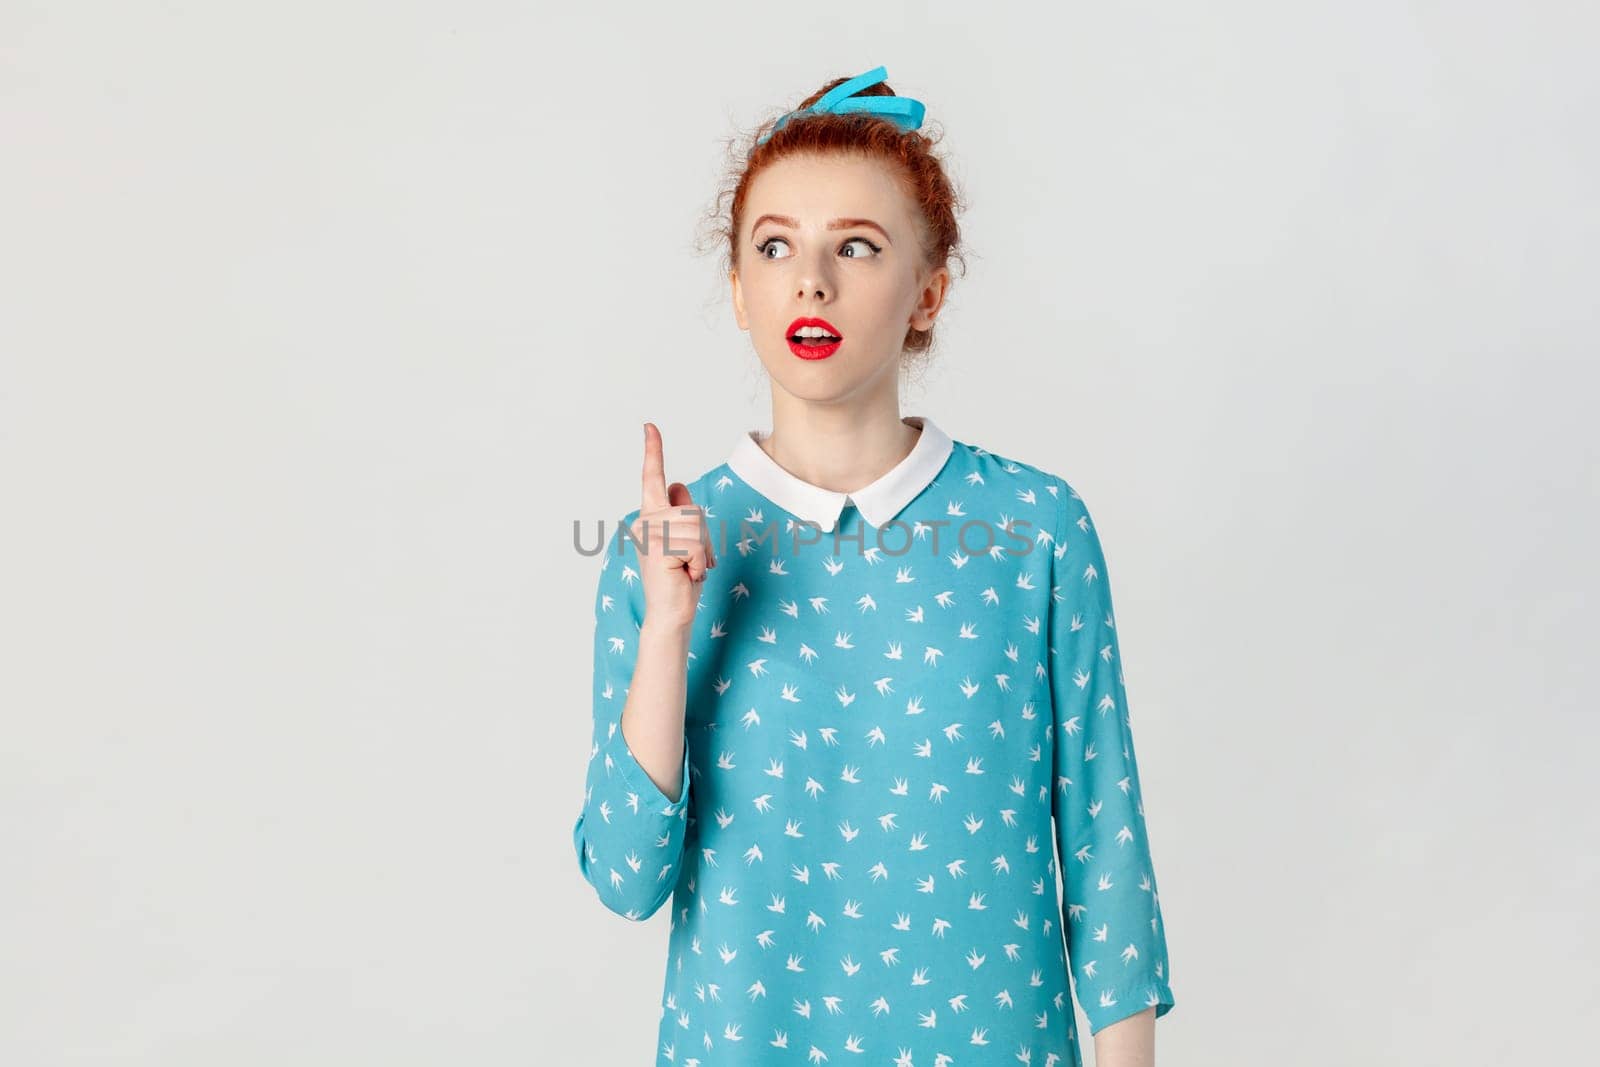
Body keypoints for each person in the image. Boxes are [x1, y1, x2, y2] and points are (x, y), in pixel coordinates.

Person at [572, 65, 1176, 1067]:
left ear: (928, 292)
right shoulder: (665, 550)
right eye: (775, 247)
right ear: (736, 288)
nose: (811, 281)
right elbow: (626, 876)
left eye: (856, 245)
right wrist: (669, 628)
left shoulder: (1035, 527)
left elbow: (1105, 846)